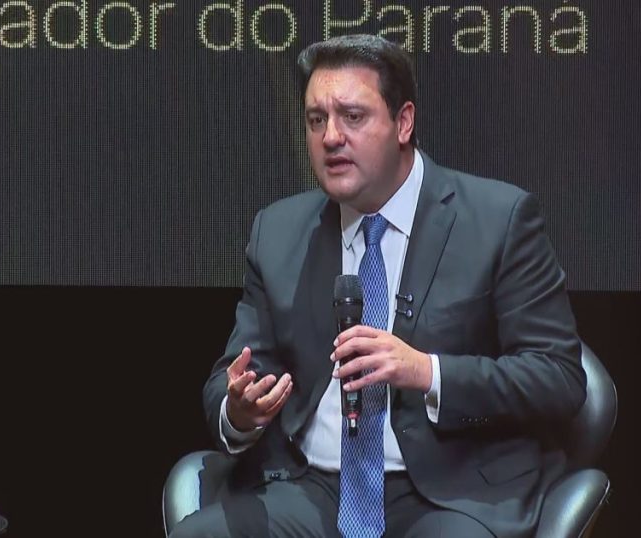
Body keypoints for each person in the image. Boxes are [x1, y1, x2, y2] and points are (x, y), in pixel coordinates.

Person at [171, 34, 586, 538]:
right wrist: (240, 411)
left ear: (403, 122)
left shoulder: (499, 221)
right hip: (311, 488)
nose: (331, 137)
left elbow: (558, 379)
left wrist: (427, 372)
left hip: (450, 493)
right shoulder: (278, 232)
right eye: (316, 120)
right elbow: (231, 378)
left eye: (353, 116)